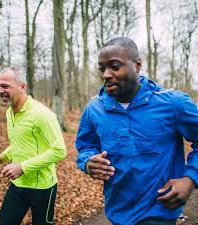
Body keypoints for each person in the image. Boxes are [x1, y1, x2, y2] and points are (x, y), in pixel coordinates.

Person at [75, 37, 198, 225]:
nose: (106, 75)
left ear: (137, 65)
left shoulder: (173, 104)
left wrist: (189, 180)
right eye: (102, 68)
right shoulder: (94, 109)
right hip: (117, 212)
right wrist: (88, 162)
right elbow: (86, 146)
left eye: (115, 66)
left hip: (159, 210)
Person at [0, 67, 67, 225]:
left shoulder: (42, 114)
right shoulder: (9, 112)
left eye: (5, 86)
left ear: (22, 86)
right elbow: (19, 142)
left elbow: (59, 151)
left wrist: (23, 167)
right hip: (17, 185)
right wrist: (4, 155)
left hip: (43, 188)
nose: (0, 90)